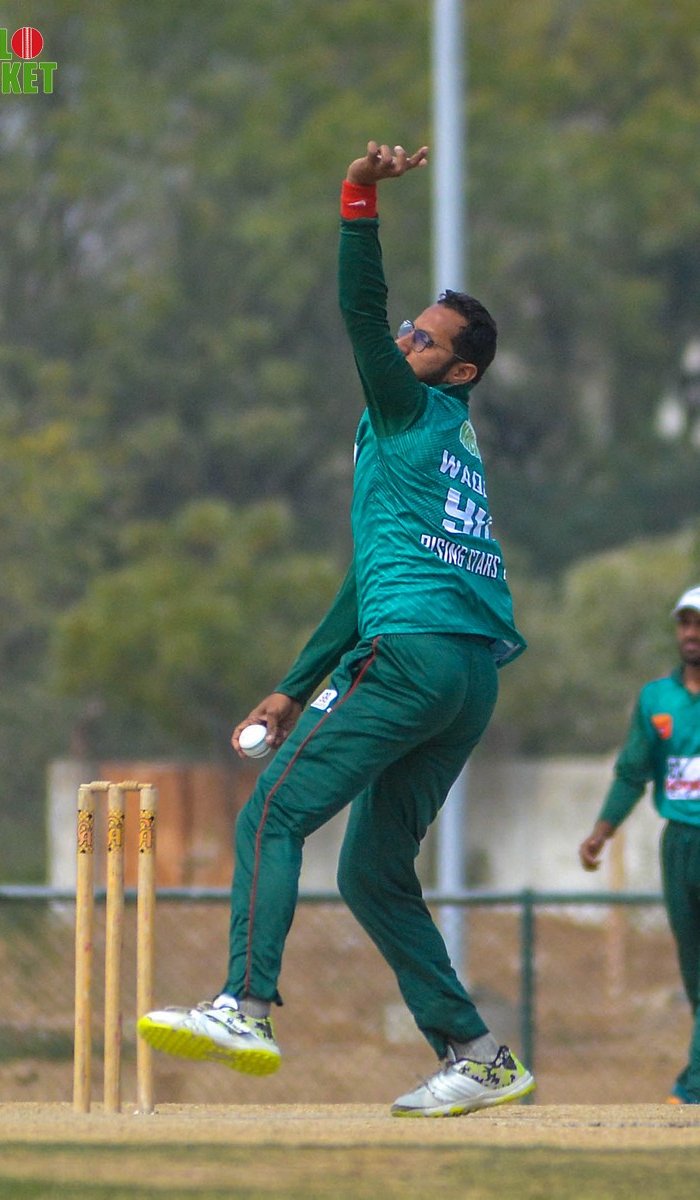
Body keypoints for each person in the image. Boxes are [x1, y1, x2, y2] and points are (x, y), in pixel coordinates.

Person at [138, 140, 534, 1117]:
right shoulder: (443, 447)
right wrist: (293, 683)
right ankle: (479, 1053)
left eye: (422, 339)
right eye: (408, 331)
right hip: (465, 678)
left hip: (409, 658)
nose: (401, 341)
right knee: (371, 871)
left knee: (271, 813)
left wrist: (358, 197)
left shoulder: (409, 410)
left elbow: (357, 311)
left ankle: (245, 1006)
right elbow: (367, 583)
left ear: (459, 370)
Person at [579, 585, 700, 1106]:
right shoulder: (657, 699)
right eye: (685, 623)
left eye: (699, 623)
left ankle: (692, 1086)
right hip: (680, 846)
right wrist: (601, 832)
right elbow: (633, 772)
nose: (692, 633)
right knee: (693, 970)